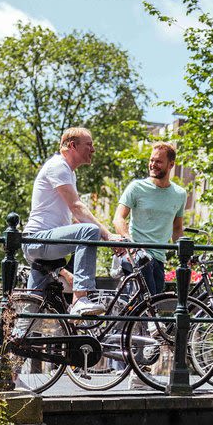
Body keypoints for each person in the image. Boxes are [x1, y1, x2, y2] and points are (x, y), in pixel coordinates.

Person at [22, 127, 123, 315]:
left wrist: (106, 239)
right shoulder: (58, 166)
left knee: (32, 309)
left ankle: (18, 340)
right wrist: (107, 235)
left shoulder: (68, 171)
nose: (93, 150)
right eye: (89, 145)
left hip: (40, 243)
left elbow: (75, 216)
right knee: (89, 231)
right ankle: (80, 299)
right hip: (38, 240)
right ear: (72, 146)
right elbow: (76, 207)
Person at [112, 142, 187, 295]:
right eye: (151, 160)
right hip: (137, 255)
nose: (153, 164)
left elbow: (177, 229)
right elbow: (118, 218)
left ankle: (121, 320)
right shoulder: (137, 187)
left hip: (159, 258)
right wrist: (129, 243)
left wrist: (185, 252)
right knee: (149, 307)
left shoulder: (179, 194)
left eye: (158, 161)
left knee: (150, 305)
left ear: (171, 164)